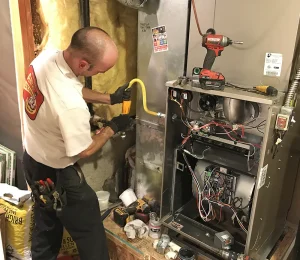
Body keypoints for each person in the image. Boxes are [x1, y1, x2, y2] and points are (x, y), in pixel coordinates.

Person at [22, 26, 131, 260]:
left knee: (46, 222)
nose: (101, 74)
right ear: (83, 65)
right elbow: (84, 150)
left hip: (32, 161)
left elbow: (73, 87)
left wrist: (110, 98)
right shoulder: (71, 107)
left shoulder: (48, 57)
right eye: (101, 71)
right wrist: (113, 127)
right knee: (90, 233)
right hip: (59, 176)